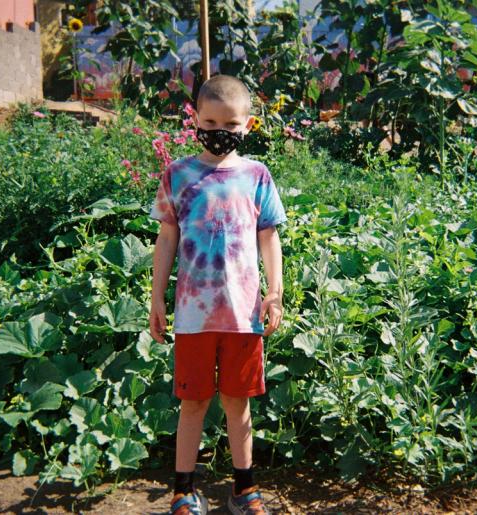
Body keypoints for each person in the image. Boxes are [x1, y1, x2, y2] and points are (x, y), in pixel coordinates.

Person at [149, 74, 286, 515]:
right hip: (193, 315)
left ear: (247, 125)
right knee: (193, 403)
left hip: (243, 314)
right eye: (210, 120)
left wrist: (275, 292)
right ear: (195, 119)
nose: (219, 130)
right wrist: (157, 299)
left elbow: (269, 238)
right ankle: (182, 491)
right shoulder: (178, 174)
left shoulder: (256, 176)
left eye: (230, 123)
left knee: (236, 401)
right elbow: (166, 238)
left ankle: (244, 489)